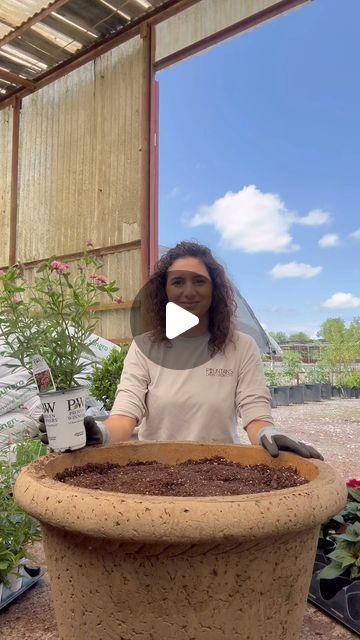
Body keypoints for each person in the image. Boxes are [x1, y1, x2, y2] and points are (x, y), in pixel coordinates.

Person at [40, 241, 322, 459]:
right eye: (178, 282)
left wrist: (270, 434)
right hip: (154, 470)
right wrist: (97, 433)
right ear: (165, 293)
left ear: (215, 291)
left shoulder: (241, 347)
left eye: (199, 281)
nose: (189, 292)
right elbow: (125, 417)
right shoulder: (145, 347)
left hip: (221, 471)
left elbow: (255, 416)